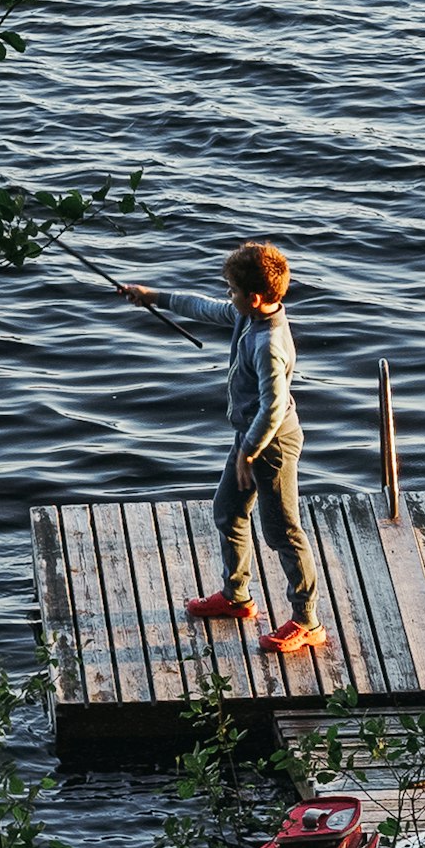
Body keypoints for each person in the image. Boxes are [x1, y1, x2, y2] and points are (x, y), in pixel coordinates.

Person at [121, 241, 324, 657]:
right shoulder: (247, 316)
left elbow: (273, 407)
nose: (227, 298)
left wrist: (248, 452)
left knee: (283, 533)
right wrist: (152, 297)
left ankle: (307, 622)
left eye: (231, 291)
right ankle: (237, 597)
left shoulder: (268, 344)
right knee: (228, 511)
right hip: (247, 440)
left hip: (272, 446)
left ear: (252, 297)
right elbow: (203, 307)